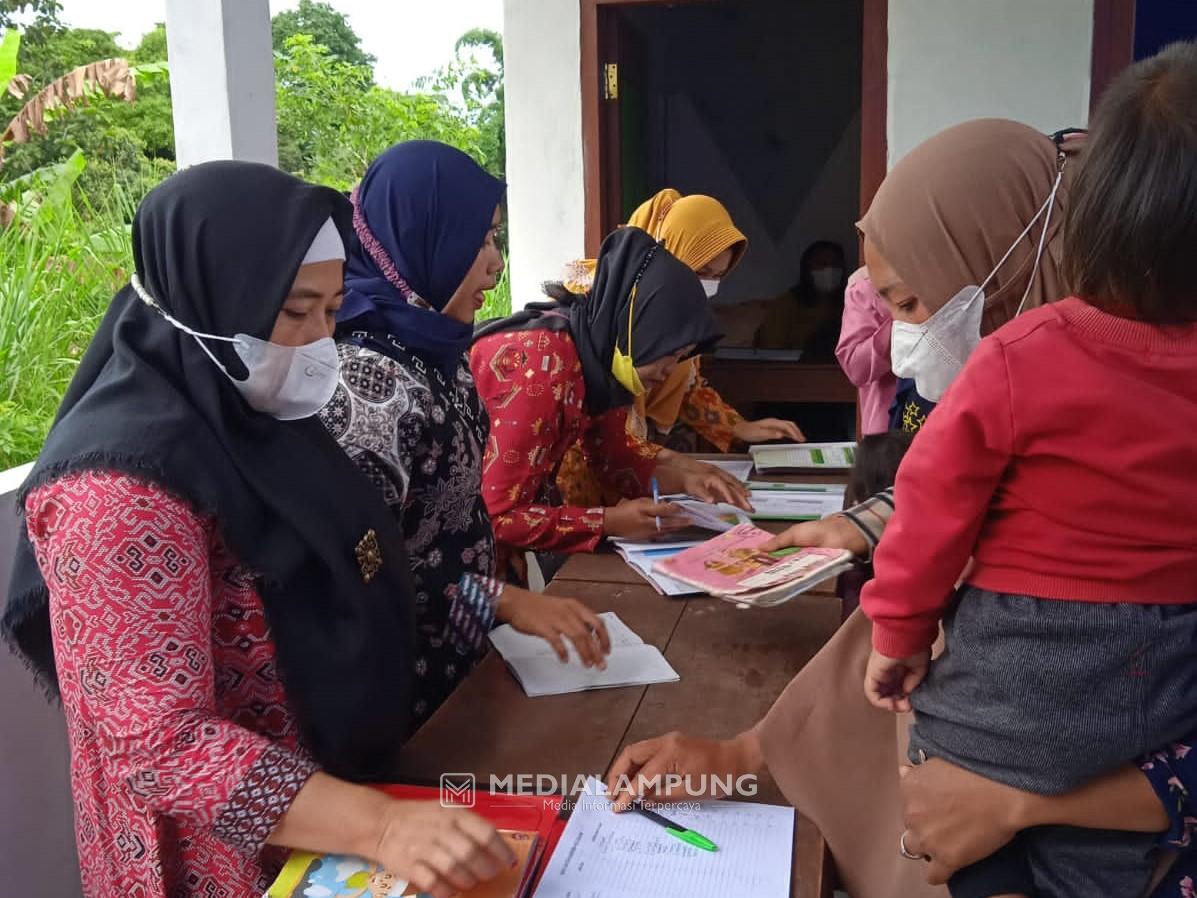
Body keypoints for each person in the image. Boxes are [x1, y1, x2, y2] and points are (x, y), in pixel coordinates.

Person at [600, 118, 1177, 898]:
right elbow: (896, 624)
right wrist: (743, 757)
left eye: (914, 304)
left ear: (1002, 269)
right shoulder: (1025, 404)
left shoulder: (1081, 407)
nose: (907, 336)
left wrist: (1019, 803)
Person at [1, 162, 514, 898]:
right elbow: (158, 742)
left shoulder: (265, 419)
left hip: (330, 815)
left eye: (333, 311)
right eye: (295, 311)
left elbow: (379, 561)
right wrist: (377, 826)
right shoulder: (117, 491)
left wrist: (490, 603)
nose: (318, 343)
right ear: (212, 296)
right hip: (221, 853)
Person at [862, 42, 1197, 898]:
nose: (909, 329)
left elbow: (928, 516)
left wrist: (896, 637)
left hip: (1005, 696)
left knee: (953, 818)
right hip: (1154, 699)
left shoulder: (1021, 355)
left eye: (907, 302)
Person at [320, 141, 610, 729]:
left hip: (458, 665)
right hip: (396, 692)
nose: (496, 264)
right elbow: (358, 568)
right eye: (480, 241)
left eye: (497, 240)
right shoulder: (362, 384)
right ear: (423, 236)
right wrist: (497, 599)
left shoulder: (436, 347)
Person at [472, 227, 742, 580]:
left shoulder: (600, 362)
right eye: (669, 354)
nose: (667, 372)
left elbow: (615, 456)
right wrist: (610, 521)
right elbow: (499, 514)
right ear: (642, 329)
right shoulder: (545, 367)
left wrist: (687, 481)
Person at [557, 188, 802, 508]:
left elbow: (685, 385)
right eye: (700, 271)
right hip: (576, 484)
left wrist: (739, 427)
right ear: (666, 253)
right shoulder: (595, 316)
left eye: (717, 276)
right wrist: (683, 469)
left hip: (626, 476)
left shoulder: (672, 315)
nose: (706, 286)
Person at [755, 240, 847, 354]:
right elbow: (771, 350)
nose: (829, 270)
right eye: (822, 264)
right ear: (807, 268)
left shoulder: (850, 304)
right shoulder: (787, 304)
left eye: (836, 264)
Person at [835, 268, 897, 435]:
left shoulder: (959, 272)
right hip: (887, 429)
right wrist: (902, 320)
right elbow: (856, 367)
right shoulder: (865, 285)